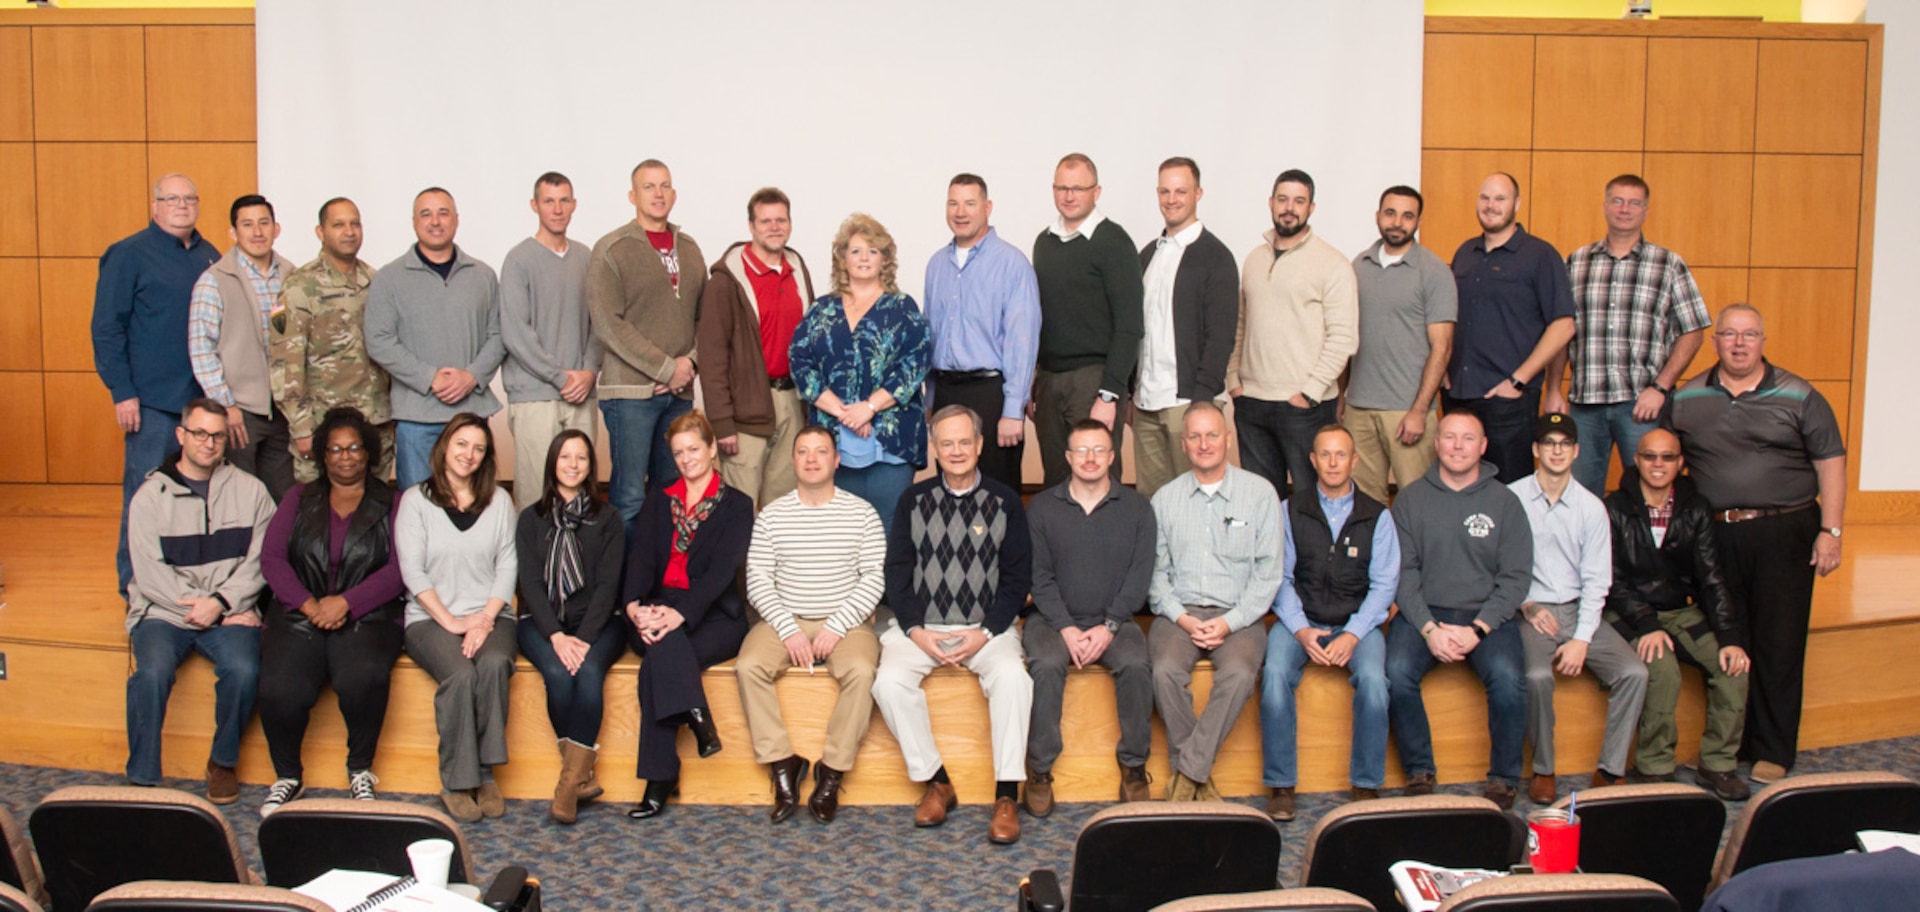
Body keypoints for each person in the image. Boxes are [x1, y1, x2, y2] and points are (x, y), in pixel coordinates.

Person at [1664, 303, 1845, 783]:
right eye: (1728, 334)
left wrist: (1832, 531)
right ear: (1716, 341)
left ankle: (1774, 748)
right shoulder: (1687, 398)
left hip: (1785, 530)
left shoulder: (1799, 394)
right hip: (1717, 534)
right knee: (1731, 637)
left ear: (1763, 341)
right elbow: (1664, 461)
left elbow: (1831, 463)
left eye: (1749, 335)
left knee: (1779, 642)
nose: (1739, 343)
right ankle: (1733, 743)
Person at [874, 405, 1033, 844]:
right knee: (887, 683)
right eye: (947, 443)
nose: (957, 451)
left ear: (980, 446)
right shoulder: (913, 500)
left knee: (1014, 680)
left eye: (965, 442)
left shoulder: (1005, 502)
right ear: (934, 449)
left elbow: (1018, 580)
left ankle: (1006, 795)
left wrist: (984, 632)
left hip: (987, 630)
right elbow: (897, 572)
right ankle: (937, 781)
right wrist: (916, 631)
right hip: (924, 627)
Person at [123, 399, 275, 802]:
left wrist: (222, 603)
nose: (208, 443)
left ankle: (222, 763)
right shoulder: (150, 495)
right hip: (164, 611)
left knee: (244, 669)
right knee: (151, 673)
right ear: (181, 435)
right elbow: (148, 571)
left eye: (217, 435)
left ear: (227, 440)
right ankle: (143, 778)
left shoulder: (251, 491)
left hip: (228, 608)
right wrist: (200, 608)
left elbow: (263, 559)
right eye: (200, 434)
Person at [256, 406, 405, 815]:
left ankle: (360, 769)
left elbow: (400, 567)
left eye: (355, 447)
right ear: (322, 455)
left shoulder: (393, 501)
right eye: (336, 448)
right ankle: (287, 776)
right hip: (299, 612)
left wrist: (346, 602)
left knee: (363, 676)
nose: (346, 455)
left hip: (369, 615)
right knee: (279, 687)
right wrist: (309, 604)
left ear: (369, 453)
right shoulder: (299, 498)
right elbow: (272, 560)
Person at [735, 426, 886, 824]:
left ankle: (831, 772)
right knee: (749, 666)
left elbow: (873, 578)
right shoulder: (772, 515)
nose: (812, 458)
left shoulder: (862, 513)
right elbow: (758, 580)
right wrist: (787, 629)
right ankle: (783, 763)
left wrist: (837, 625)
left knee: (862, 670)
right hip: (786, 616)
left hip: (846, 621)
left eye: (821, 451)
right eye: (803, 451)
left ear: (837, 460)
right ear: (793, 460)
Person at [1385, 411, 1533, 808]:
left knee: (1507, 677)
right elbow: (1403, 572)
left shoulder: (1505, 502)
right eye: (1450, 437)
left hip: (1486, 616)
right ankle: (1419, 770)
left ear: (1483, 446)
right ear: (1436, 443)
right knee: (1396, 672)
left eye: (1468, 439)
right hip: (1424, 612)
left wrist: (1479, 629)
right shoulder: (1411, 499)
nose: (1457, 446)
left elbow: (1515, 578)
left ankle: (1503, 777)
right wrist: (1430, 630)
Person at [1260, 425, 1399, 820]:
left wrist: (1354, 633)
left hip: (1359, 623)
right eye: (1325, 454)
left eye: (1341, 455)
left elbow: (1385, 585)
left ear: (1354, 460)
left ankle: (1366, 784)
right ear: (1313, 460)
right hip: (1299, 620)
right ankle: (1281, 785)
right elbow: (1279, 578)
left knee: (1374, 682)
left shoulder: (1378, 516)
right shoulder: (1290, 510)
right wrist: (1301, 629)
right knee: (1272, 676)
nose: (1333, 462)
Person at [94, 172, 223, 595]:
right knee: (144, 499)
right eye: (171, 199)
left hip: (203, 404)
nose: (181, 205)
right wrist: (122, 391)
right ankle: (134, 588)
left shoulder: (210, 255)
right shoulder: (128, 254)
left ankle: (189, 583)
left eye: (189, 198)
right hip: (151, 404)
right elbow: (107, 328)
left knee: (200, 499)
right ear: (155, 206)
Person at [1604, 429, 1750, 800]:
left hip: (1681, 611)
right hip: (1629, 613)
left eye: (1667, 457)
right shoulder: (1614, 507)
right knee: (1662, 670)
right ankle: (1654, 768)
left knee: (1732, 668)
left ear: (1680, 463)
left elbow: (1711, 576)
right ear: (1636, 461)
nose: (1658, 464)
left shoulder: (1695, 507)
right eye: (1650, 456)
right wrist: (1648, 625)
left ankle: (1718, 764)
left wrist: (1730, 638)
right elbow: (1612, 580)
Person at [1149, 401, 1283, 802]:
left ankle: (1187, 774)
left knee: (1240, 674)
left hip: (1239, 615)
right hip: (1179, 615)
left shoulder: (1260, 494)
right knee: (1163, 671)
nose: (1204, 443)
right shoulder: (1165, 499)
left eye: (1212, 434)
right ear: (1184, 443)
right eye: (1194, 436)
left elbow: (1269, 573)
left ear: (1228, 439)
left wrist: (1229, 622)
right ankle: (1200, 779)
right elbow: (1156, 576)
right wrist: (1184, 619)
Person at [622, 411, 751, 820]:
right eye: (678, 453)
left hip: (714, 617)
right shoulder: (659, 499)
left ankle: (660, 779)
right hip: (656, 609)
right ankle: (697, 719)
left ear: (713, 449)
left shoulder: (737, 506)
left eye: (694, 449)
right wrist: (634, 606)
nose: (686, 459)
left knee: (659, 659)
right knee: (664, 649)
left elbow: (720, 573)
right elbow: (640, 558)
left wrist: (680, 615)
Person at [1511, 414, 1646, 805]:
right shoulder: (1512, 498)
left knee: (1634, 672)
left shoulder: (1591, 508)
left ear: (1576, 451)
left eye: (1564, 444)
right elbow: (1499, 567)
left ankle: (1610, 770)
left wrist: (1582, 639)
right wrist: (1527, 605)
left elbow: (1597, 581)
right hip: (1530, 611)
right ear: (1536, 450)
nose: (1557, 450)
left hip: (1577, 609)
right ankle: (1544, 770)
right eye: (1549, 443)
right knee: (1537, 677)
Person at [1546, 174, 1710, 496]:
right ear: (1605, 206)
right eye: (1618, 201)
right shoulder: (1576, 263)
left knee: (1653, 494)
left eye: (1634, 203)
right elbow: (1560, 332)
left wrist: (1660, 387)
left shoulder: (1668, 264)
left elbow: (1693, 331)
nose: (1625, 209)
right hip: (1585, 402)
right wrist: (1553, 389)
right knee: (1579, 497)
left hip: (1642, 404)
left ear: (1646, 211)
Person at [1023, 419, 1157, 813]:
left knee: (1135, 664)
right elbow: (1039, 577)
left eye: (1099, 450)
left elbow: (1140, 575)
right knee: (1045, 665)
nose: (1090, 458)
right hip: (1051, 620)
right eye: (1081, 450)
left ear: (1113, 456)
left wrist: (1109, 626)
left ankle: (1134, 766)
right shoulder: (1044, 507)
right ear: (1067, 457)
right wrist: (1065, 627)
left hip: (1116, 620)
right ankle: (1040, 770)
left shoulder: (1136, 508)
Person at [395, 413, 519, 822]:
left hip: (490, 612)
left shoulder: (499, 501)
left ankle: (484, 774)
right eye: (462, 444)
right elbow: (412, 572)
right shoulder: (416, 501)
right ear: (445, 447)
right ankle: (456, 780)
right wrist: (450, 622)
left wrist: (483, 619)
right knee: (461, 674)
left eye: (479, 448)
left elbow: (507, 565)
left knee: (494, 662)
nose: (469, 454)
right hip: (430, 618)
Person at [789, 214, 930, 533]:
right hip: (834, 438)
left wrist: (869, 408)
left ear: (885, 259)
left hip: (891, 439)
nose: (864, 257)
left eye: (873, 250)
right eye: (855, 250)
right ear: (842, 257)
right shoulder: (821, 310)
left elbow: (915, 363)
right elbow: (799, 360)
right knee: (839, 530)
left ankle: (888, 587)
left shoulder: (902, 308)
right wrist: (844, 413)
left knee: (890, 527)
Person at [515, 430, 625, 824]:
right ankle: (582, 775)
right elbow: (528, 584)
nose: (573, 465)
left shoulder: (607, 518)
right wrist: (557, 636)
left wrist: (582, 639)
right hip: (543, 624)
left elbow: (609, 586)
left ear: (590, 467)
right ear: (553, 463)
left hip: (597, 625)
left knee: (590, 672)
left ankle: (567, 785)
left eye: (581, 458)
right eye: (565, 457)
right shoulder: (531, 519)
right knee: (558, 675)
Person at [590, 159, 707, 524]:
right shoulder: (612, 248)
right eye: (648, 186)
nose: (658, 194)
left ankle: (661, 580)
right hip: (630, 397)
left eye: (664, 186)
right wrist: (666, 367)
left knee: (671, 496)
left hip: (679, 395)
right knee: (629, 497)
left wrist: (688, 365)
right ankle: (628, 583)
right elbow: (608, 324)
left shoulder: (689, 248)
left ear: (673, 194)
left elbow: (705, 319)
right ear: (632, 195)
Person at [1227, 169, 1357, 498]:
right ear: (1271, 203)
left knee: (1309, 500)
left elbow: (1344, 338)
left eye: (1299, 201)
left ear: (1311, 207)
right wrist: (1233, 379)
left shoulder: (1333, 264)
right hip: (1252, 402)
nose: (1289, 207)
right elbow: (1241, 324)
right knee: (1262, 502)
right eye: (1283, 199)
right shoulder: (1254, 260)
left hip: (1305, 406)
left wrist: (1311, 392)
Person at [364, 188, 505, 491]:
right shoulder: (389, 278)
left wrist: (472, 376)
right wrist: (430, 378)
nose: (435, 221)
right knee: (417, 507)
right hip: (417, 418)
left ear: (456, 220)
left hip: (472, 413)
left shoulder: (483, 275)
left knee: (473, 503)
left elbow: (498, 335)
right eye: (426, 214)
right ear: (414, 222)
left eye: (443, 213)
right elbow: (378, 340)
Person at [1444, 173, 1576, 484]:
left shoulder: (1540, 255)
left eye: (1500, 199)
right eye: (1485, 198)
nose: (1491, 206)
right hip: (1458, 397)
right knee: (1460, 491)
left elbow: (1563, 325)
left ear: (1516, 204)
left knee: (1509, 494)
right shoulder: (1465, 253)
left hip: (1508, 401)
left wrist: (1518, 380)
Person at [697, 187, 817, 509]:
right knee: (740, 509)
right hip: (745, 410)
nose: (774, 227)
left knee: (783, 504)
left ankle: (776, 563)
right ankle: (741, 564)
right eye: (765, 221)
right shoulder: (726, 281)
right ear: (751, 226)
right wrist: (721, 422)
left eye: (781, 220)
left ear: (790, 224)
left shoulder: (797, 270)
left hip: (792, 402)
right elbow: (711, 356)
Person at [1031, 152, 1143, 488]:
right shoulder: (1044, 243)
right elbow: (1040, 318)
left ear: (1096, 191)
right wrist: (1033, 383)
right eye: (1062, 188)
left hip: (1094, 381)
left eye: (1078, 188)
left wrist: (1109, 395)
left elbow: (1130, 325)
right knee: (1056, 481)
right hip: (1050, 382)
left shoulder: (1114, 242)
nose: (1068, 196)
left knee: (1098, 480)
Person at [923, 173, 1041, 491]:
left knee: (997, 493)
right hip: (946, 392)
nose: (960, 212)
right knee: (951, 490)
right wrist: (930, 401)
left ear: (987, 207)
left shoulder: (1012, 263)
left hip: (992, 394)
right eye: (953, 203)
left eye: (970, 203)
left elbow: (1023, 341)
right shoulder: (936, 266)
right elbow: (930, 338)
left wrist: (1013, 409)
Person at [1133, 157, 1238, 499]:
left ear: (1198, 193)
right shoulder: (1148, 254)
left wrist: (1202, 404)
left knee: (1197, 498)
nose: (1172, 198)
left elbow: (1221, 336)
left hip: (1189, 402)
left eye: (1181, 191)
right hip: (1147, 403)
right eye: (1165, 191)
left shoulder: (1216, 256)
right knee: (1156, 505)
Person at [272, 197, 394, 484]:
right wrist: (302, 428)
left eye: (355, 224)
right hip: (323, 428)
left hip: (375, 425)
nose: (349, 231)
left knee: (374, 512)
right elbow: (284, 366)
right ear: (320, 232)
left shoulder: (375, 281)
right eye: (338, 224)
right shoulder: (300, 286)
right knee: (319, 517)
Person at [1347, 185, 1456, 503]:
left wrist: (1420, 410)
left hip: (1407, 411)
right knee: (1364, 504)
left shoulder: (1434, 271)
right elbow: (1348, 336)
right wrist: (1343, 397)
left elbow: (1443, 347)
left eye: (1408, 215)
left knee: (1417, 503)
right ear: (1378, 216)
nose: (1397, 222)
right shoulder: (1358, 266)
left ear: (1418, 221)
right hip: (1359, 408)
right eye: (1390, 213)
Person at [501, 172, 600, 512]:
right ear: (535, 206)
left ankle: (574, 565)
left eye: (564, 200)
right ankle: (534, 567)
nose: (557, 209)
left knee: (581, 490)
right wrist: (560, 377)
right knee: (535, 493)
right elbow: (516, 332)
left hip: (581, 395)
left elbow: (599, 323)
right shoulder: (519, 260)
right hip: (535, 396)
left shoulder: (587, 258)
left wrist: (588, 372)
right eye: (548, 201)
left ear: (573, 205)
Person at [188, 194, 296, 501]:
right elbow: (201, 348)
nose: (257, 232)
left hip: (283, 410)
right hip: (241, 412)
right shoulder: (214, 281)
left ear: (276, 228)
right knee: (239, 497)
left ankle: (274, 552)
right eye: (247, 225)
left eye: (264, 223)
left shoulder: (293, 276)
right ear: (234, 232)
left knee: (283, 499)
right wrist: (226, 405)